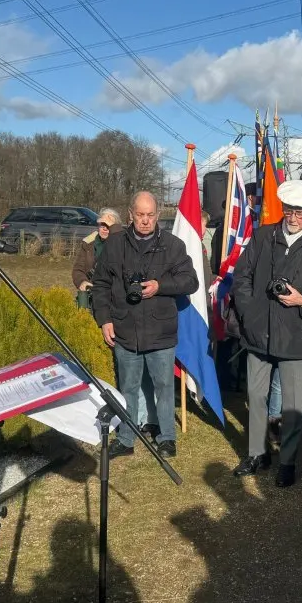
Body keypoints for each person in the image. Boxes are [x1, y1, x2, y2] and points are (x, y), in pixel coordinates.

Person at [231, 180, 302, 486]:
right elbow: (242, 277)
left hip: (296, 333)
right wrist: (249, 313)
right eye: (289, 211)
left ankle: (288, 461)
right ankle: (257, 453)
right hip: (258, 332)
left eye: (300, 212)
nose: (293, 217)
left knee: (292, 404)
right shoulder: (263, 236)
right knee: (256, 396)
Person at [92, 191, 199, 459]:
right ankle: (126, 439)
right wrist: (104, 319)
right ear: (130, 214)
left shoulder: (173, 245)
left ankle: (167, 438)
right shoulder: (115, 244)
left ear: (158, 215)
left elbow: (191, 281)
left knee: (164, 387)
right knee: (128, 387)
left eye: (150, 215)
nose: (145, 220)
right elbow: (101, 285)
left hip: (161, 330)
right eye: (140, 214)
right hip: (125, 328)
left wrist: (161, 286)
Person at [73, 208, 122, 309]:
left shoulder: (123, 243)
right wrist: (82, 281)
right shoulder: (88, 243)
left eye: (108, 226)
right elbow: (78, 269)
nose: (105, 229)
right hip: (94, 294)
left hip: (116, 298)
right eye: (102, 225)